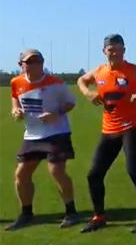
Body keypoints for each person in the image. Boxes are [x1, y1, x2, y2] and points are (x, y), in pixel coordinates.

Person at [76, 34, 136, 233]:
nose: (115, 53)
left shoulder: (135, 71)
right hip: (109, 130)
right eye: (111, 49)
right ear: (104, 51)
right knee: (94, 175)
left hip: (131, 129)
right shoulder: (99, 71)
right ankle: (99, 216)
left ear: (124, 51)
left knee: (134, 171)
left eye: (119, 49)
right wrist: (88, 93)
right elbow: (81, 80)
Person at [5, 49, 80, 231]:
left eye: (38, 60)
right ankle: (26, 214)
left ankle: (71, 212)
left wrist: (56, 113)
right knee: (21, 175)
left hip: (57, 133)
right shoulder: (17, 82)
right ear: (21, 65)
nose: (35, 64)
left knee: (56, 171)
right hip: (32, 135)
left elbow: (71, 102)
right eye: (30, 61)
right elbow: (15, 99)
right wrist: (16, 111)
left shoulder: (55, 82)